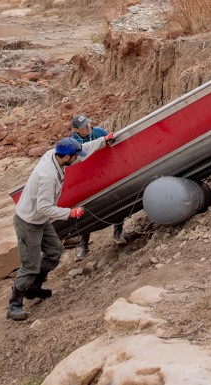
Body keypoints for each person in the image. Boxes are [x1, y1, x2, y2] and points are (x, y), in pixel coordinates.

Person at [7, 137, 87, 321]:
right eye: (75, 156)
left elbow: (82, 149)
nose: (76, 158)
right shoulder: (49, 177)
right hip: (28, 222)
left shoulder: (54, 154)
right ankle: (14, 304)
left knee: (54, 251)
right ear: (66, 156)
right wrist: (70, 213)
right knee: (30, 265)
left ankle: (32, 287)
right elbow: (44, 207)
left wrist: (102, 141)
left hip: (40, 220)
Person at [71, 115, 125, 258]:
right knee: (85, 210)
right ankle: (84, 247)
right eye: (83, 126)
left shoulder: (99, 132)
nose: (88, 127)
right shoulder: (72, 142)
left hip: (105, 172)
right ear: (76, 130)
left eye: (88, 124)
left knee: (118, 198)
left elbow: (112, 143)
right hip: (86, 179)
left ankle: (118, 233)